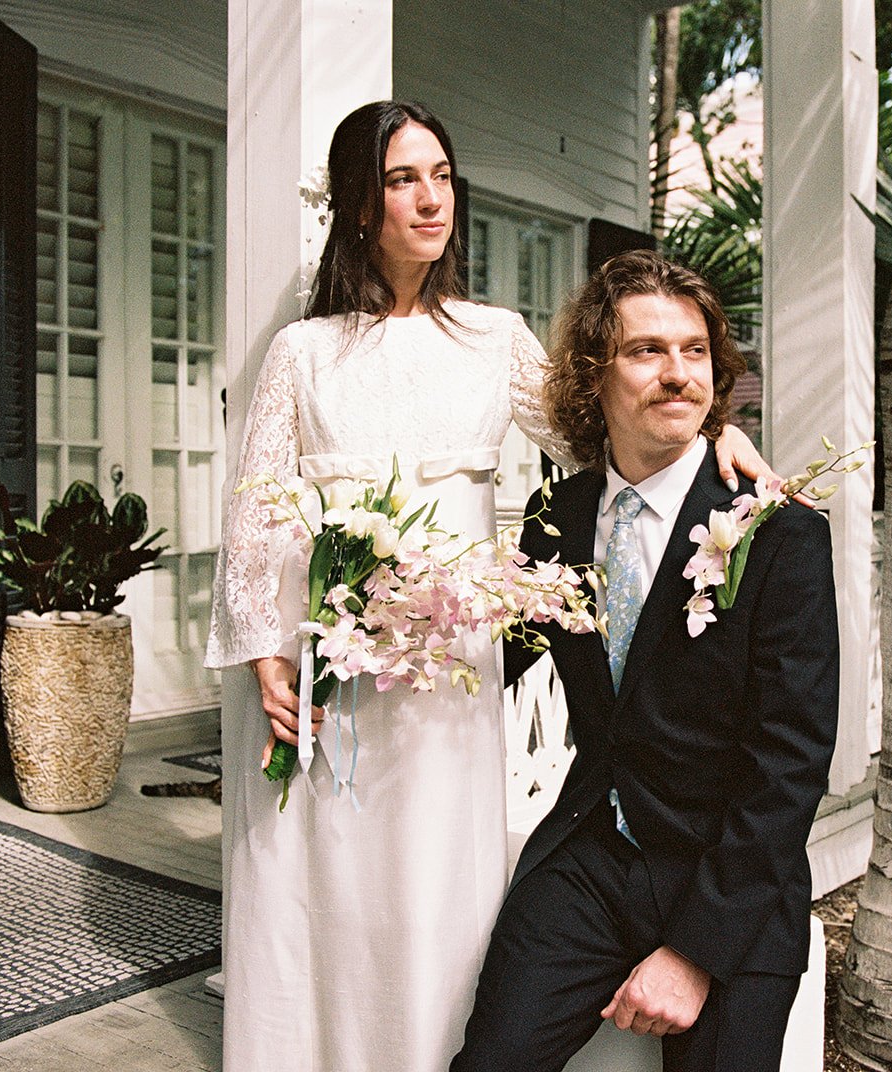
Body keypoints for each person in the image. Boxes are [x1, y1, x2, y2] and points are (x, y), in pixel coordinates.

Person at [205, 102, 772, 1072]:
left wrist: (710, 425)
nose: (432, 199)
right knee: (319, 874)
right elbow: (258, 509)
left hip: (447, 671)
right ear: (358, 203)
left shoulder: (491, 336)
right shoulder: (304, 352)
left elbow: (602, 428)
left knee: (427, 880)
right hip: (334, 660)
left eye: (441, 175)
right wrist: (267, 650)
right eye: (401, 179)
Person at [451, 250, 841, 1072]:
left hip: (729, 872)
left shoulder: (778, 534)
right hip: (592, 857)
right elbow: (503, 655)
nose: (678, 374)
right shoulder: (558, 515)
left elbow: (790, 765)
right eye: (646, 351)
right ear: (594, 375)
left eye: (694, 351)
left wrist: (695, 954)